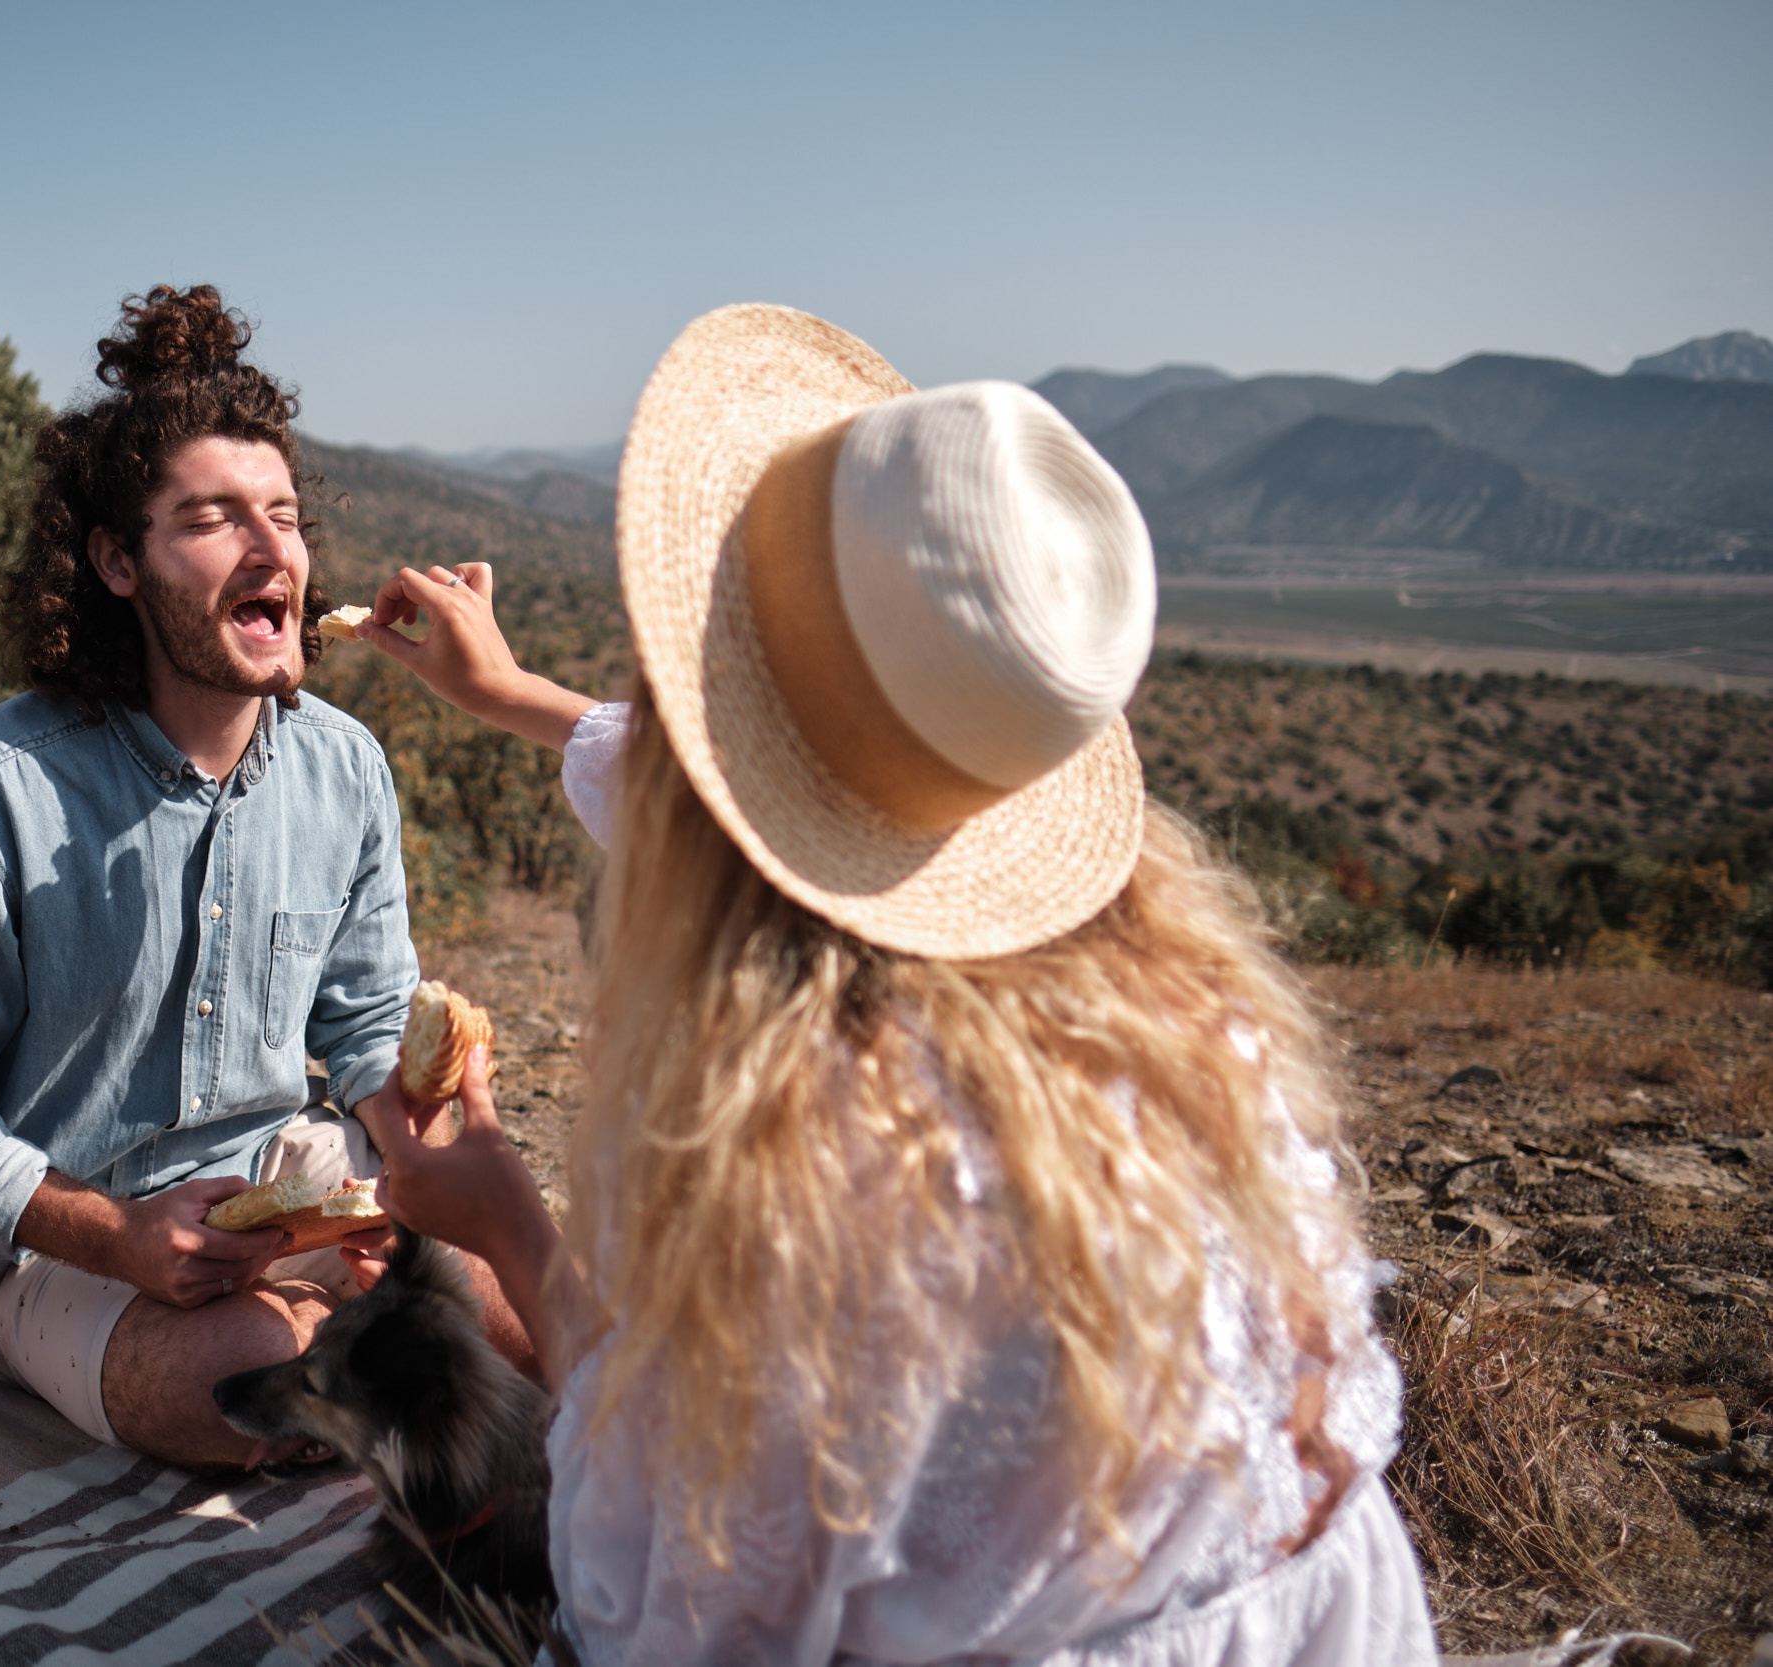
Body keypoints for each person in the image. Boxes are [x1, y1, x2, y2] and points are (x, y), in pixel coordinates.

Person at [343, 305, 1440, 1663]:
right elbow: (751, 801)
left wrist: (502, 1212)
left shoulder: (818, 1158)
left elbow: (674, 1598)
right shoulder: (1173, 1010)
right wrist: (511, 691)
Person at [0, 285, 520, 1469]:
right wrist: (114, 1234)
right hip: (66, 1237)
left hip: (287, 1179)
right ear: (117, 560)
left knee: (515, 1299)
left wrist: (410, 1157)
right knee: (237, 1380)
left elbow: (364, 1020)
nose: (273, 552)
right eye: (212, 519)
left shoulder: (344, 767)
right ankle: (326, 1342)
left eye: (287, 517)